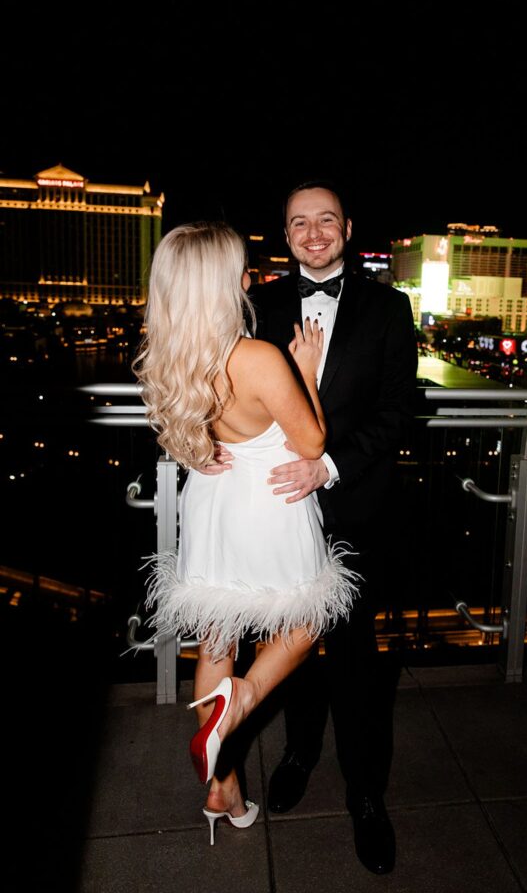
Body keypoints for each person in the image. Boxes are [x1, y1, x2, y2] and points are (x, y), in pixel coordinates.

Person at [213, 181, 417, 873]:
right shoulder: (256, 305)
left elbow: (395, 416)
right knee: (286, 651)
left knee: (357, 663)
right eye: (299, 222)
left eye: (325, 219)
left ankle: (365, 797)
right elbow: (227, 393)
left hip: (352, 510)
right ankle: (298, 753)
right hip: (274, 511)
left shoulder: (390, 308)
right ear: (285, 233)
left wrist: (326, 467)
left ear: (347, 228)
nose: (313, 232)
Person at [134, 221, 358, 846]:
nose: (251, 277)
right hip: (270, 503)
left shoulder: (170, 354)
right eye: (242, 268)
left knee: (215, 640)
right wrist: (306, 369)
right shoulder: (256, 357)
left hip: (210, 504)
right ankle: (246, 696)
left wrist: (199, 450)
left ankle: (221, 785)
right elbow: (312, 442)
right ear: (225, 285)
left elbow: (183, 436)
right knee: (306, 622)